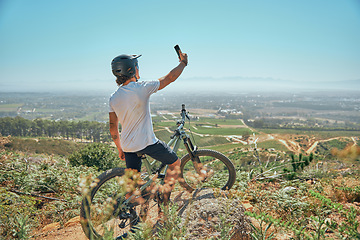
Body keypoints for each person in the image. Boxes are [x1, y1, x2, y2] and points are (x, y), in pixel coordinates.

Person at [108, 50, 188, 204]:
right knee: (175, 163)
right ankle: (164, 199)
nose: (139, 69)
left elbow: (113, 128)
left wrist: (119, 148)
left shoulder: (114, 97)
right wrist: (183, 63)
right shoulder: (142, 88)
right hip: (146, 143)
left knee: (132, 183)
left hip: (128, 146)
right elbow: (169, 78)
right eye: (137, 66)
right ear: (132, 70)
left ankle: (130, 210)